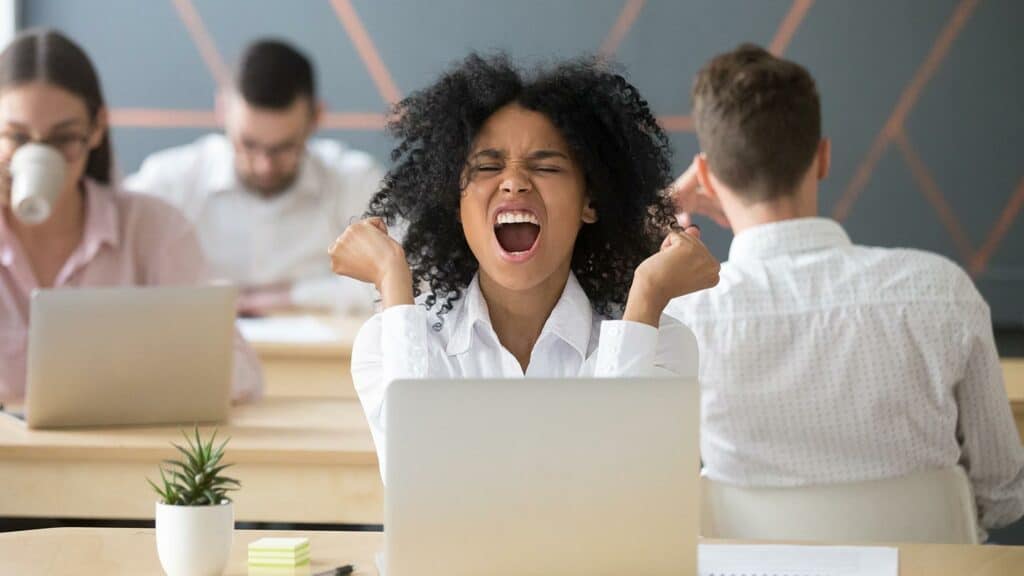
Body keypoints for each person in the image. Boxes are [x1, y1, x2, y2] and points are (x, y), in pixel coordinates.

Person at [666, 44, 1024, 536]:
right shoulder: (942, 293)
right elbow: (1004, 494)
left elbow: (635, 486)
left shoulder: (684, 319)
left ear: (705, 173)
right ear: (823, 158)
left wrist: (664, 207)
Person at [329, 54, 721, 472]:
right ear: (455, 201)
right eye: (488, 166)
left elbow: (611, 482)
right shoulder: (386, 344)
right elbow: (416, 476)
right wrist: (394, 281)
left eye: (546, 166)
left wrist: (647, 295)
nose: (514, 181)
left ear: (590, 201)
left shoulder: (662, 344)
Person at [0, 29, 261, 403]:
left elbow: (241, 372)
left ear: (96, 129)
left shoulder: (153, 229)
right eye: (18, 139)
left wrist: (152, 362)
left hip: (122, 453)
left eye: (64, 138)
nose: (43, 156)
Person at [125, 39, 382, 316]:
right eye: (248, 144)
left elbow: (404, 279)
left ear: (315, 118)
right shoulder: (170, 180)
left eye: (284, 147)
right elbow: (115, 268)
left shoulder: (354, 180)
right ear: (222, 111)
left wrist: (288, 297)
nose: (264, 166)